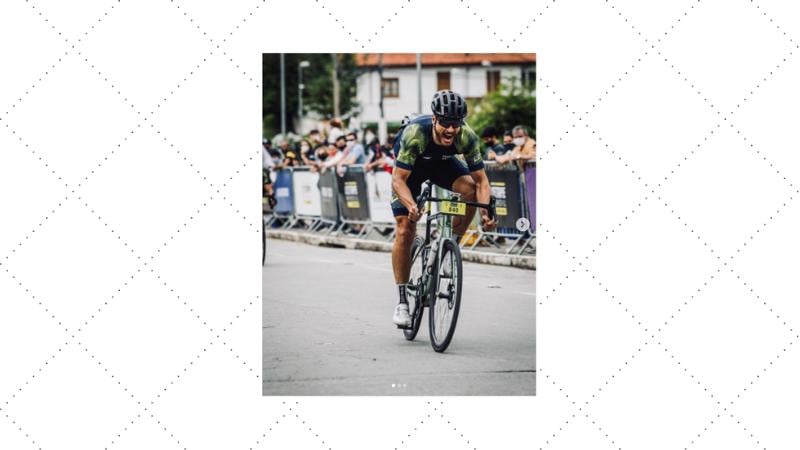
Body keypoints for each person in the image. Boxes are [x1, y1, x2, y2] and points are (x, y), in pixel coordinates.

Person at [389, 90, 496, 327]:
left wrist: (486, 212)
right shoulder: (416, 133)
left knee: (469, 190)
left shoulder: (466, 136)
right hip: (411, 172)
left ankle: (451, 244)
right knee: (405, 229)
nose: (451, 130)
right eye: (446, 123)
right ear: (435, 119)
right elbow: (398, 180)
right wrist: (411, 206)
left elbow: (482, 182)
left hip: (443, 166)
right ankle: (402, 302)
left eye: (455, 124)